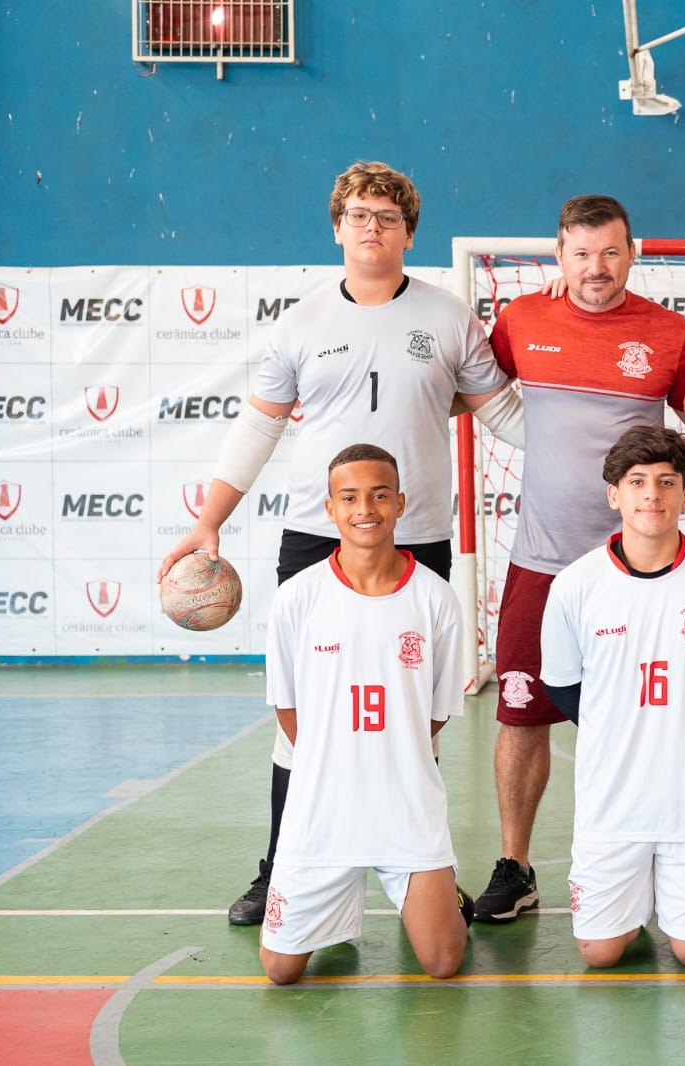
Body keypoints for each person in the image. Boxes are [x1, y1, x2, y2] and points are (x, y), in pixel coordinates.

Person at [157, 161, 525, 926]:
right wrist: (209, 518)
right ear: (336, 227)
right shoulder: (300, 323)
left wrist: (599, 478)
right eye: (358, 215)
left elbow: (506, 416)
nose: (372, 228)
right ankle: (278, 869)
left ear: (409, 231)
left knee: (413, 719)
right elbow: (259, 426)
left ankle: (424, 870)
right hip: (315, 542)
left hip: (416, 541)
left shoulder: (450, 317)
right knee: (303, 718)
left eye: (387, 217)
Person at [475, 195, 685, 924]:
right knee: (521, 716)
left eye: (609, 252)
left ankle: (661, 854)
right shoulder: (522, 320)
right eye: (580, 253)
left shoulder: (669, 334)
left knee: (655, 717)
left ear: (632, 253)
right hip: (539, 563)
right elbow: (462, 389)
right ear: (558, 256)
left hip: (636, 571)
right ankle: (516, 865)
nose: (595, 268)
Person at [539, 426, 685, 967]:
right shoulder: (576, 584)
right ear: (613, 494)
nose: (652, 495)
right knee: (599, 953)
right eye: (637, 481)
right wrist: (613, 725)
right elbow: (562, 684)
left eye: (668, 483)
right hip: (611, 804)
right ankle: (633, 901)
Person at [259, 444, 470, 984]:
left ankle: (430, 881)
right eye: (349, 497)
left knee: (444, 964)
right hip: (322, 807)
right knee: (281, 971)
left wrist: (389, 755)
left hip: (406, 803)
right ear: (329, 509)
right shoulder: (298, 598)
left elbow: (435, 713)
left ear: (400, 503)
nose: (365, 509)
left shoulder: (436, 599)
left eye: (379, 495)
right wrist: (333, 765)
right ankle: (331, 906)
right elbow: (288, 707)